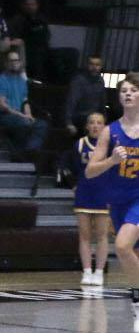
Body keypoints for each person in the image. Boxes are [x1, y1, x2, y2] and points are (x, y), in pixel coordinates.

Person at [86, 76, 139, 315]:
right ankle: (136, 296)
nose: (127, 94)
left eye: (133, 90)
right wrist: (112, 160)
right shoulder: (110, 131)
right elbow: (89, 171)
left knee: (122, 246)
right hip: (117, 201)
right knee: (129, 252)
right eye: (124, 90)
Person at [67, 112, 112, 287]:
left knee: (102, 236)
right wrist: (73, 185)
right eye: (92, 123)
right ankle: (86, 271)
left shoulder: (111, 146)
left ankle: (99, 272)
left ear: (104, 126)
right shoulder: (79, 144)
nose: (95, 126)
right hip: (84, 193)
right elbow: (67, 166)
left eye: (99, 123)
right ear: (86, 126)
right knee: (84, 236)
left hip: (104, 193)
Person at [0, 50, 47, 153]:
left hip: (17, 116)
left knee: (42, 124)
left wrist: (29, 115)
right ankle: (18, 151)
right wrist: (21, 115)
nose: (14, 62)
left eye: (16, 60)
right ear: (6, 63)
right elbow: (1, 106)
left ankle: (29, 151)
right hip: (1, 115)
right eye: (11, 60)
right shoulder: (0, 79)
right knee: (23, 123)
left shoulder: (21, 81)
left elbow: (25, 101)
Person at [11, 0, 53, 81]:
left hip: (40, 48)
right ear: (23, 6)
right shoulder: (18, 19)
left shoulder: (41, 19)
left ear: (37, 5)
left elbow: (46, 35)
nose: (30, 7)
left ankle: (39, 80)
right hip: (24, 48)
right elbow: (14, 35)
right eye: (28, 4)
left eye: (33, 4)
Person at [65, 54, 108, 138]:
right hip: (79, 116)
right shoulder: (78, 80)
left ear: (101, 66)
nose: (94, 67)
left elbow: (102, 102)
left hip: (94, 116)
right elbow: (71, 101)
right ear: (87, 65)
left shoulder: (100, 81)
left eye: (97, 65)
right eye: (91, 64)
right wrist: (68, 122)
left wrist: (105, 119)